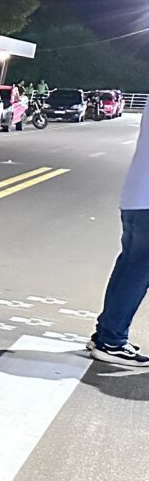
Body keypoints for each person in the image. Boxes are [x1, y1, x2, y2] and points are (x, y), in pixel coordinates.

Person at [89, 111, 149, 367]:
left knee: (130, 265)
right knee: (139, 269)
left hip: (136, 195)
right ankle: (111, 340)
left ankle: (106, 334)